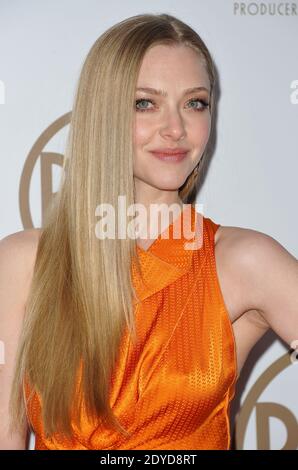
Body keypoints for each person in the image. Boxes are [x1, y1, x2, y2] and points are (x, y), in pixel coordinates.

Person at [0, 13, 297, 451]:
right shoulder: (25, 263)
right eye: (146, 103)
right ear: (104, 113)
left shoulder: (244, 260)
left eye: (195, 102)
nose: (176, 128)